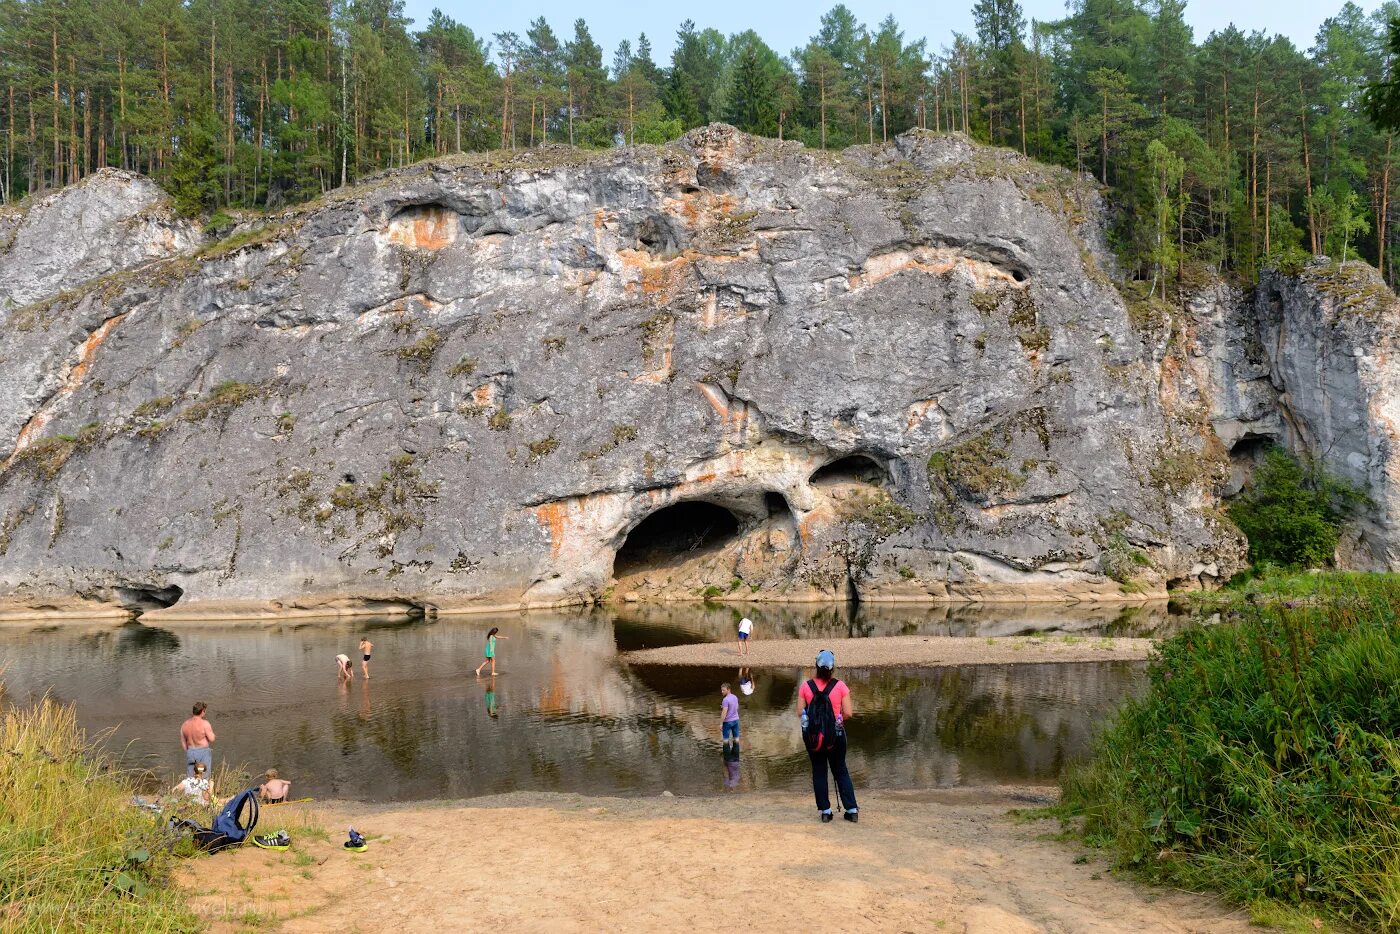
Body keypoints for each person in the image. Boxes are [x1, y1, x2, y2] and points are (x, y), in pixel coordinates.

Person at [798, 649, 858, 823]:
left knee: (819, 771)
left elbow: (799, 712)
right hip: (836, 736)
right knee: (840, 769)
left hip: (814, 737)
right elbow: (848, 713)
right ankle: (851, 810)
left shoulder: (806, 686)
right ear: (833, 668)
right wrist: (836, 720)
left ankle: (825, 811)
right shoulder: (840, 686)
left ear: (816, 666)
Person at [180, 701, 216, 778]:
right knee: (203, 776)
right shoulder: (205, 723)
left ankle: (190, 789)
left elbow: (183, 743)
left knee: (190, 778)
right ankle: (203, 789)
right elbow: (212, 739)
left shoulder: (184, 724)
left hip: (190, 752)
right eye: (205, 711)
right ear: (202, 711)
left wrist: (189, 751)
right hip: (203, 753)